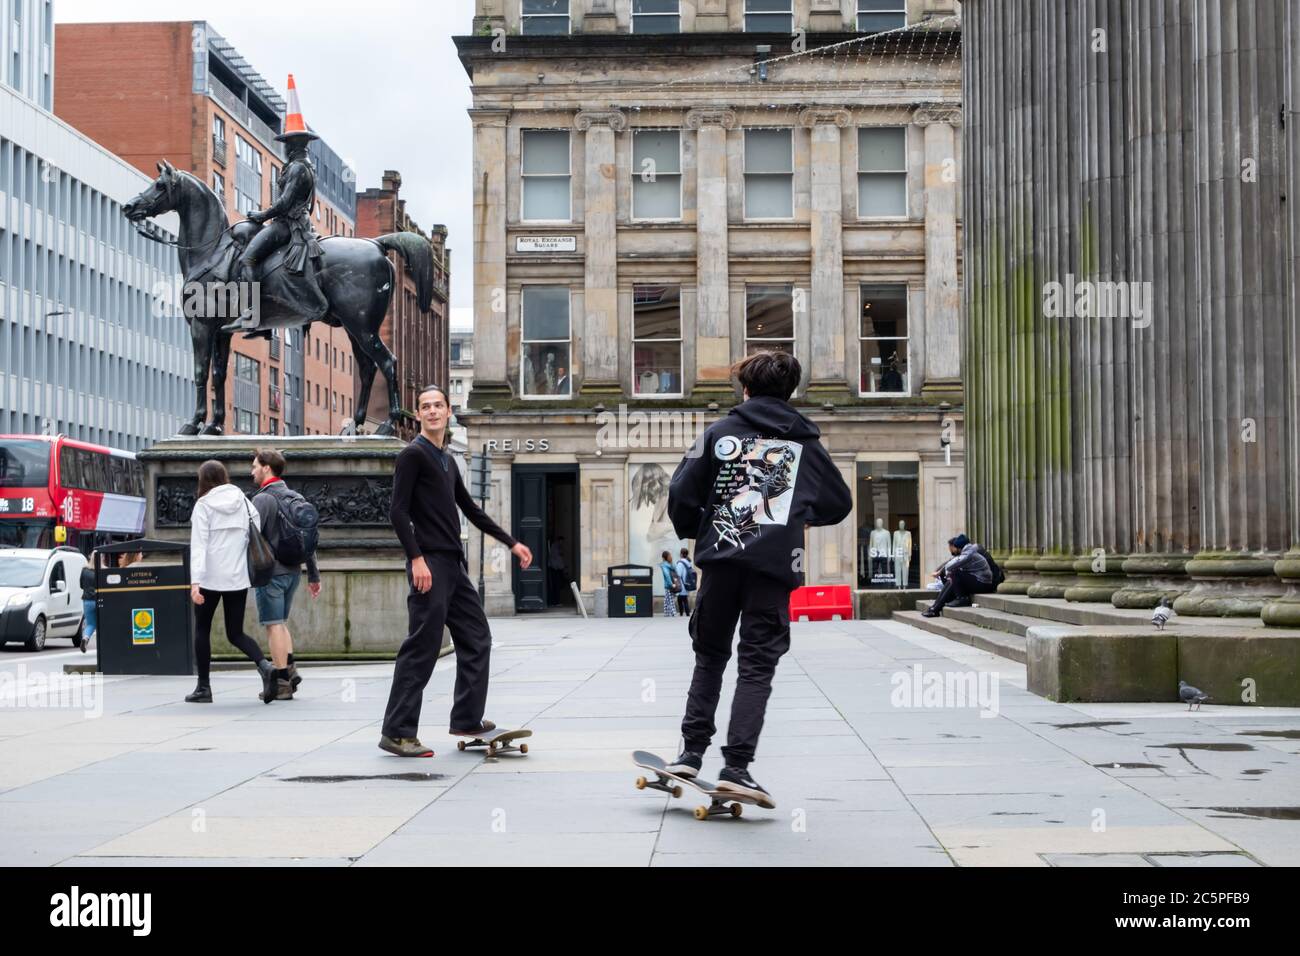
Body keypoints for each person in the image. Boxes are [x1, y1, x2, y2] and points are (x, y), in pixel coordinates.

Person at [664, 350, 852, 804]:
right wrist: (796, 516)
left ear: (745, 390)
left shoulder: (720, 432)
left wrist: (699, 529)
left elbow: (679, 493)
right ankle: (737, 767)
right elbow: (839, 501)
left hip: (722, 562)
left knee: (710, 657)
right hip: (773, 568)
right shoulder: (805, 443)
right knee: (757, 666)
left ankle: (690, 754)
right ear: (790, 392)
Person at [378, 385, 533, 757]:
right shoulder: (413, 455)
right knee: (422, 647)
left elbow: (471, 509)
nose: (432, 411)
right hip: (429, 563)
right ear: (418, 415)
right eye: (425, 406)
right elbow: (397, 511)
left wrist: (511, 542)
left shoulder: (446, 460)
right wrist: (416, 559)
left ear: (449, 412)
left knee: (477, 638)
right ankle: (397, 732)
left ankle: (466, 718)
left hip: (453, 565)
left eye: (438, 406)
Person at [186, 459, 280, 704]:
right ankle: (265, 665)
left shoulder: (203, 505)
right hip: (237, 577)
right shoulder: (242, 501)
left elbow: (199, 546)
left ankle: (204, 688)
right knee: (235, 632)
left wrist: (195, 582)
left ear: (203, 480)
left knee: (202, 629)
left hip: (209, 577)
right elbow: (255, 526)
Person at [251, 448, 321, 701]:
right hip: (293, 572)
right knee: (281, 623)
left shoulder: (263, 500)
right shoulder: (295, 496)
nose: (252, 471)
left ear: (267, 468)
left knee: (273, 625)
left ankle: (281, 682)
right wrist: (313, 576)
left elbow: (251, 539)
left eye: (255, 466)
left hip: (271, 573)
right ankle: (290, 671)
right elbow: (308, 540)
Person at [922, 534, 998, 617]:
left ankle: (961, 599)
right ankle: (934, 608)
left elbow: (950, 565)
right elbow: (951, 562)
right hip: (979, 582)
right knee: (952, 576)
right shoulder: (968, 552)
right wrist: (943, 572)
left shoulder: (969, 554)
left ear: (958, 547)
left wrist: (944, 572)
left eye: (954, 547)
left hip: (984, 584)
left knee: (955, 573)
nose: (952, 550)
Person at [78, 551, 97, 653]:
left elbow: (81, 585)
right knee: (102, 624)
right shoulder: (101, 571)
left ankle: (85, 638)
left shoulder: (84, 570)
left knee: (90, 624)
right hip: (99, 600)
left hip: (87, 601)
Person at [658, 550, 680, 618]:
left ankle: (673, 613)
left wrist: (671, 584)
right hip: (672, 584)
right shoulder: (671, 565)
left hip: (669, 585)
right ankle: (667, 613)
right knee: (667, 599)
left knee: (669, 599)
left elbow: (667, 575)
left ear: (663, 558)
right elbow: (676, 573)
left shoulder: (664, 565)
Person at [548, 536, 568, 606]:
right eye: (562, 541)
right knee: (556, 586)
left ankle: (556, 601)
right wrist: (562, 568)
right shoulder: (555, 547)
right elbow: (556, 559)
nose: (562, 543)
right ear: (559, 541)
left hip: (557, 569)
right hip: (555, 569)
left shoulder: (557, 547)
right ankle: (555, 602)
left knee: (557, 586)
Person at [675, 547, 694, 617]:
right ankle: (687, 614)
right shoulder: (688, 563)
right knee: (685, 599)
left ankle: (681, 614)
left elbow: (678, 574)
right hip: (687, 584)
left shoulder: (680, 563)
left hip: (681, 585)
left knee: (680, 600)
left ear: (681, 554)